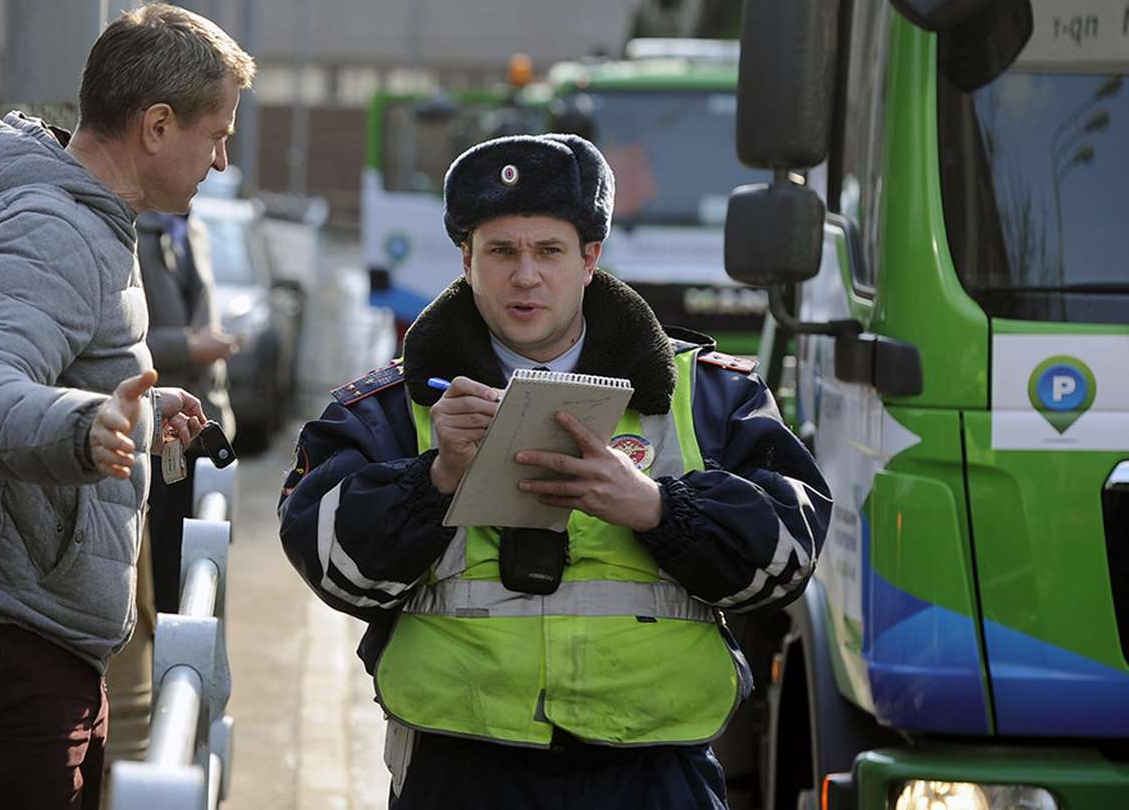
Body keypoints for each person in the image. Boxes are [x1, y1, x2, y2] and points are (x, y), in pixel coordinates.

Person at [279, 133, 832, 808]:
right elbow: (327, 564)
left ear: (590, 258)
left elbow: (791, 555)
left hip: (654, 774)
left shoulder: (712, 393)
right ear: (467, 258)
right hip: (461, 771)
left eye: (549, 250)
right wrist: (434, 480)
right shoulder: (387, 407)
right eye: (501, 251)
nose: (525, 276)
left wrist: (660, 509)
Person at [0, 2, 255, 810]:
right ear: (157, 125)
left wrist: (140, 412)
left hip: (18, 635)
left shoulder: (76, 220)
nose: (223, 159)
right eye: (217, 132)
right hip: (3, 642)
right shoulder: (51, 226)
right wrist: (87, 427)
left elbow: (27, 367)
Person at [136, 208, 237, 613]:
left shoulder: (194, 228)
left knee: (204, 561)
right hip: (160, 429)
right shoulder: (131, 227)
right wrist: (190, 347)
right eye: (211, 142)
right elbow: (123, 341)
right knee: (164, 567)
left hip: (204, 428)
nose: (217, 163)